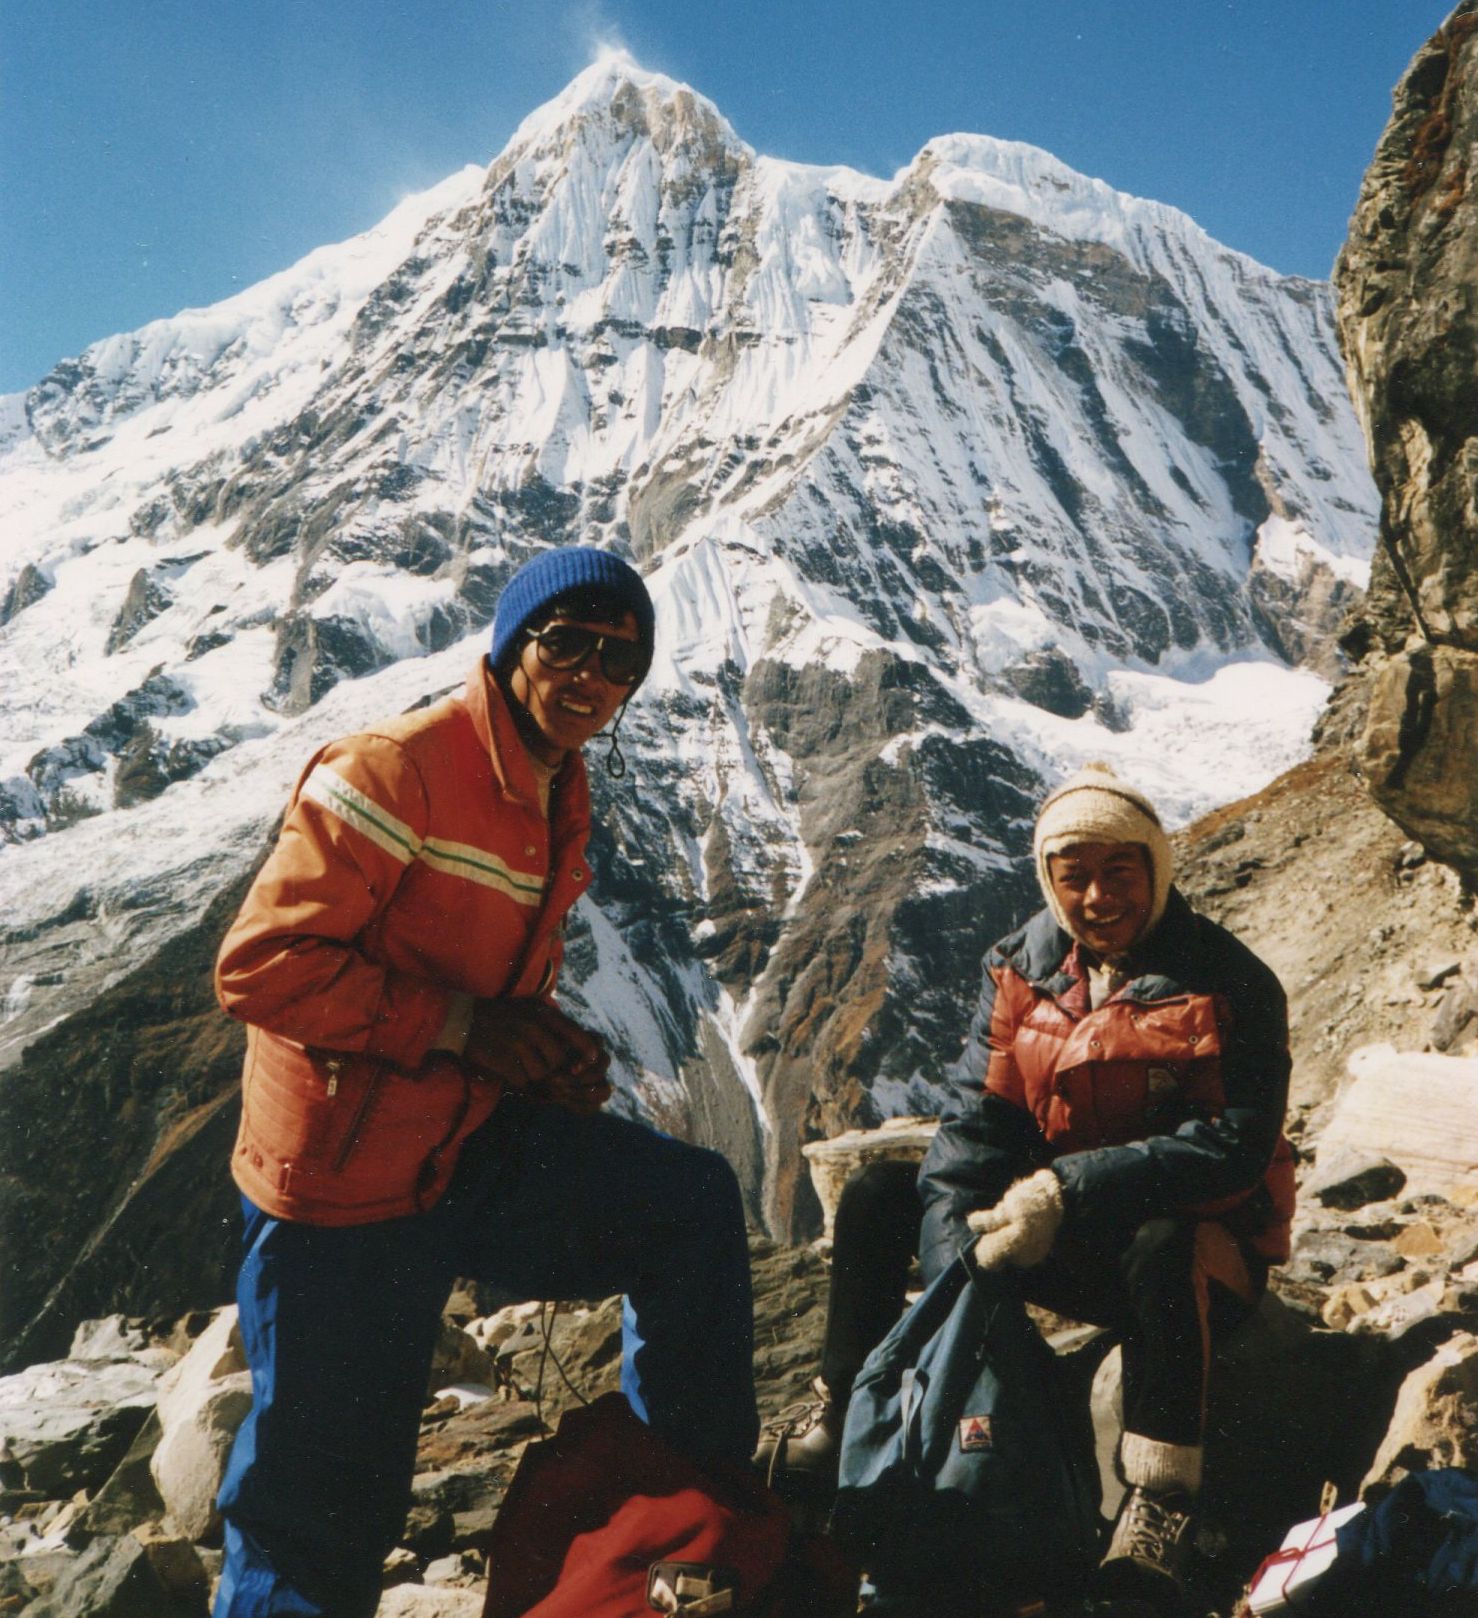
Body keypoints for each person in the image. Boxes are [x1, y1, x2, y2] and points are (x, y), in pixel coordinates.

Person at [211, 546, 759, 1618]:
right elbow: (262, 965)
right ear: (514, 647)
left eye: (621, 658)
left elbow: (469, 970)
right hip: (341, 1178)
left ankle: (683, 1540)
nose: (593, 676)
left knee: (688, 1207)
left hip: (459, 1135)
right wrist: (467, 1030)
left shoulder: (553, 787)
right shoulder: (393, 769)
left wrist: (536, 1049)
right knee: (320, 1503)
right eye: (568, 644)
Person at [762, 762, 1294, 1607]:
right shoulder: (1022, 966)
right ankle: (839, 1407)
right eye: (1072, 874)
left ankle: (1159, 1499)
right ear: (1047, 878)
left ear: (1156, 870)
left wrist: (1061, 1193)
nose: (1096, 896)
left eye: (1119, 870)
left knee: (1166, 1244)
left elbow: (1231, 1149)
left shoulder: (1229, 984)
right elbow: (978, 1120)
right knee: (879, 1197)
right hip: (1056, 1230)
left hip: (1197, 1252)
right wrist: (962, 1267)